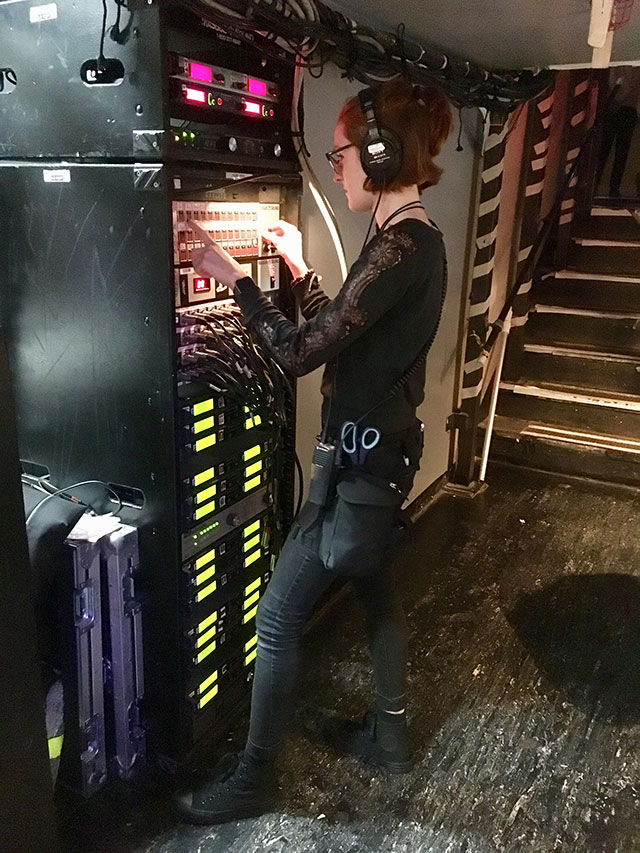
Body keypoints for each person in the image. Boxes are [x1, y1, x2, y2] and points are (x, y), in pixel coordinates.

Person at [174, 77, 453, 824]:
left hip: (357, 471)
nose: (334, 168)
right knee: (375, 588)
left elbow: (301, 354)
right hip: (382, 461)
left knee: (275, 619)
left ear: (380, 153)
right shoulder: (412, 242)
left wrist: (237, 282)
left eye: (339, 155)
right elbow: (351, 334)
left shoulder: (399, 248)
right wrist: (299, 272)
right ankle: (390, 737)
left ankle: (255, 777)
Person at [596, 66, 640, 199]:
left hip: (621, 107)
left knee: (615, 149)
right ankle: (608, 186)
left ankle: (607, 185)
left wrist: (614, 100)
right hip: (623, 107)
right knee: (611, 148)